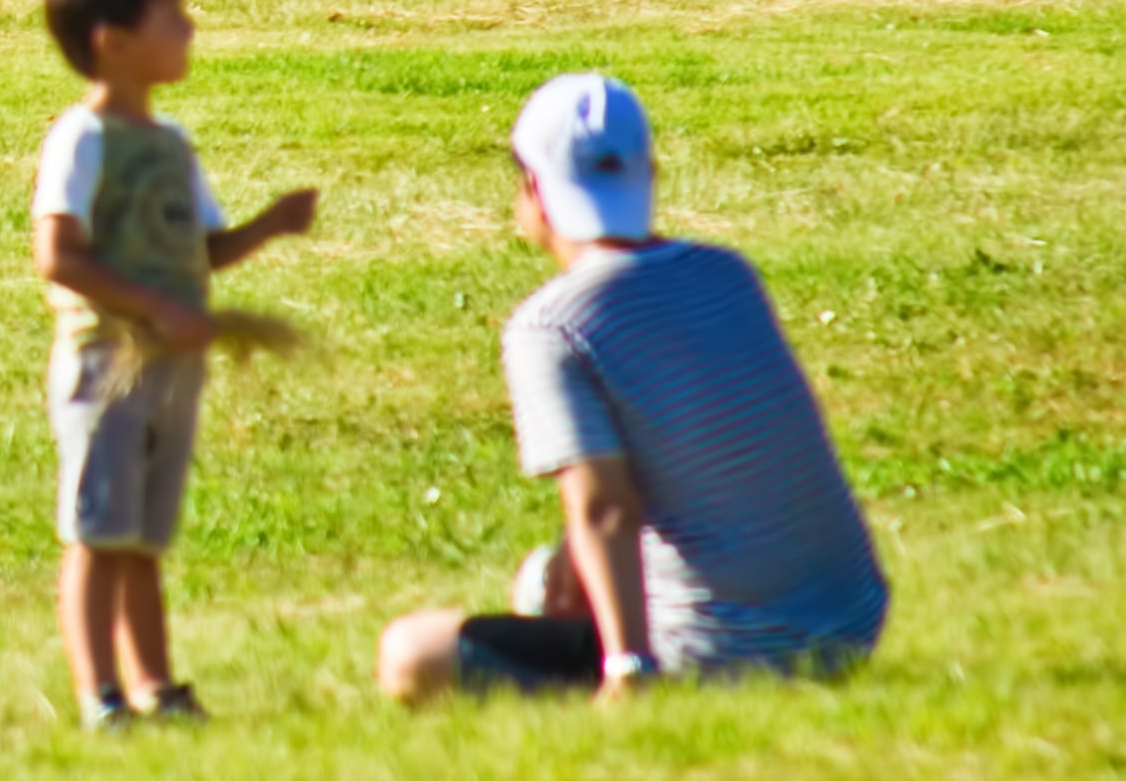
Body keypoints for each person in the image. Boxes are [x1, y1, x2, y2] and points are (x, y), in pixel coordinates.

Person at [379, 73, 887, 702]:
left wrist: (628, 667)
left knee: (409, 653)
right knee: (546, 580)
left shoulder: (553, 325)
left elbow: (605, 508)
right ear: (649, 172)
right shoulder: (727, 274)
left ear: (533, 188)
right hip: (851, 626)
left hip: (721, 650)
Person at [30, 0, 320, 730]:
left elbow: (200, 252)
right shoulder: (82, 142)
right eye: (171, 16)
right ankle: (102, 696)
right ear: (112, 42)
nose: (190, 29)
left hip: (174, 368)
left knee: (142, 540)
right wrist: (153, 312)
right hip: (107, 365)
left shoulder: (171, 147)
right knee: (99, 531)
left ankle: (156, 686)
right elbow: (57, 254)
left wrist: (270, 226)